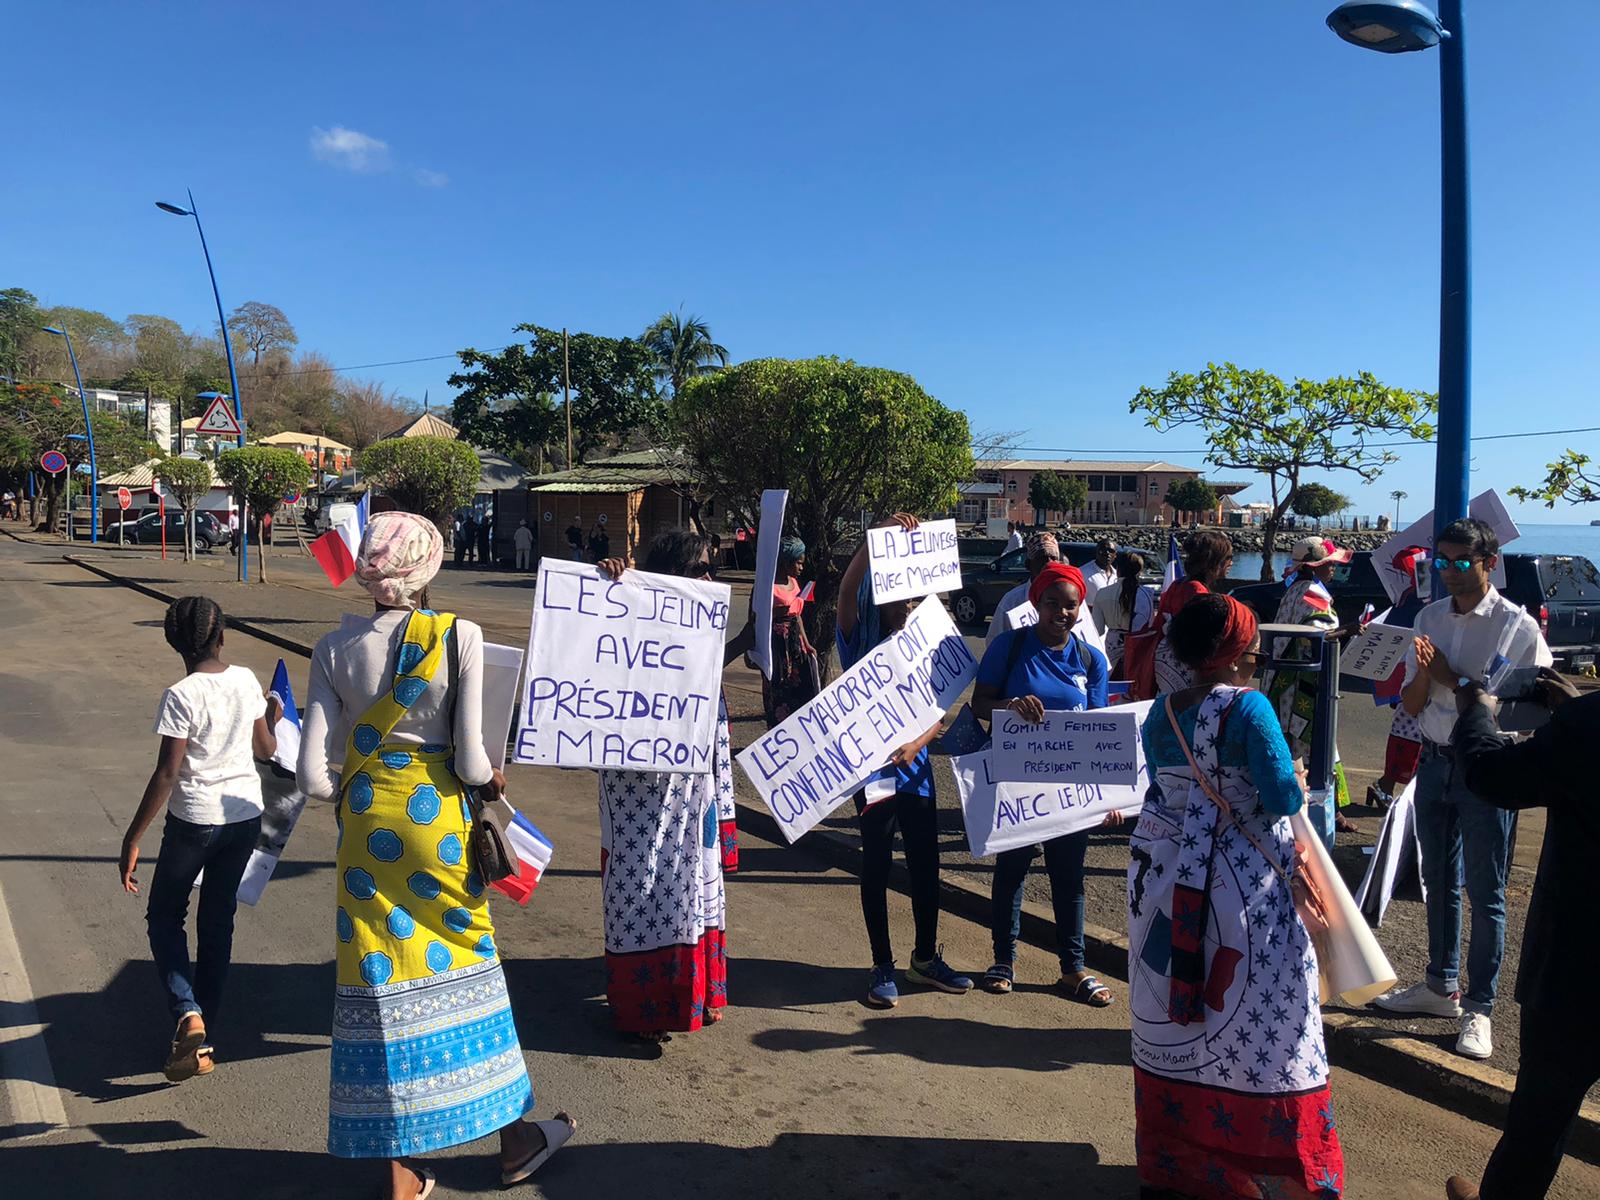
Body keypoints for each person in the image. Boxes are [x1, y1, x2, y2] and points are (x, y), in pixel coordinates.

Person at [298, 512, 572, 1197]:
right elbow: (475, 761)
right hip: (439, 825)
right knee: (468, 969)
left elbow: (310, 779)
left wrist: (361, 788)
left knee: (377, 980)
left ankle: (397, 1175)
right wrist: (489, 783)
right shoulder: (460, 636)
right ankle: (515, 1143)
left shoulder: (331, 649)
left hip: (365, 828)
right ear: (427, 568)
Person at [1129, 593, 1344, 1197]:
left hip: (1174, 886)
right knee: (1269, 1019)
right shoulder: (1250, 711)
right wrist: (1296, 780)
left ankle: (1181, 1158)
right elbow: (1280, 798)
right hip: (1245, 888)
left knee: (1183, 1020)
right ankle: (1273, 1160)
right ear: (1240, 651)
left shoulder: (1160, 713)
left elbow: (1165, 788)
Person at [1372, 518, 1552, 1061]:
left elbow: (1524, 709)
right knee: (1437, 880)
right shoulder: (1428, 617)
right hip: (1434, 759)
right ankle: (1439, 986)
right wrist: (1430, 676)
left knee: (1486, 891)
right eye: (1439, 562)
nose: (1447, 572)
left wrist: (1449, 677)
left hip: (1488, 766)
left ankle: (1480, 1008)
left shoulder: (1516, 627)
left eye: (1458, 561)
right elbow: (1410, 702)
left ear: (1487, 562)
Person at [1444, 675, 1600, 1200]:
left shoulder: (1586, 727)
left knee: (1539, 1122)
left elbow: (1494, 777)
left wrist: (1475, 711)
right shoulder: (1583, 723)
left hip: (1579, 972)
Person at [593, 532, 752, 1041]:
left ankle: (693, 995)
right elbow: (592, 654)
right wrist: (608, 588)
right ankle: (641, 1010)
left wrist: (750, 639)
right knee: (640, 889)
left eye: (711, 568)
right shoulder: (626, 616)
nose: (709, 578)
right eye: (698, 568)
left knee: (692, 890)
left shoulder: (701, 632)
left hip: (692, 791)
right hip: (635, 792)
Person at [120, 596, 280, 1084]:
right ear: (223, 635)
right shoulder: (247, 680)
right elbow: (266, 750)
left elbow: (168, 772)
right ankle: (203, 1038)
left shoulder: (181, 694)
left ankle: (188, 1014)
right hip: (244, 816)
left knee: (166, 916)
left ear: (174, 642)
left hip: (195, 821)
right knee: (217, 921)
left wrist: (132, 837)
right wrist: (270, 715)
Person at [837, 514, 974, 1008]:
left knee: (925, 866)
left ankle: (924, 958)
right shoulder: (859, 645)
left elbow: (939, 708)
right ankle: (881, 965)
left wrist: (918, 745)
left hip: (916, 776)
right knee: (875, 866)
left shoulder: (929, 645)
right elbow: (847, 594)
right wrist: (875, 542)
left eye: (916, 597)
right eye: (900, 596)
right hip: (872, 778)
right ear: (883, 595)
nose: (909, 604)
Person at [972, 561, 1119, 1003]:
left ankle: (1073, 969)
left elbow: (1099, 730)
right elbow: (980, 703)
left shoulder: (1091, 659)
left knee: (1069, 878)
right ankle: (1004, 959)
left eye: (1070, 605)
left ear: (1082, 609)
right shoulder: (1009, 647)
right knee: (1012, 871)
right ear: (1036, 602)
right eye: (1051, 602)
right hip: (1017, 784)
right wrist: (1011, 705)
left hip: (1070, 789)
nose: (1061, 611)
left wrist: (1108, 798)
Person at [1260, 536, 1356, 843]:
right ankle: (1318, 812)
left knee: (1290, 742)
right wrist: (1350, 630)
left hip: (1282, 679)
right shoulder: (1314, 593)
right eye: (1329, 565)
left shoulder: (1293, 589)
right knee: (1315, 743)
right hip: (1303, 684)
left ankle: (1311, 807)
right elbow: (1319, 636)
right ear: (1319, 567)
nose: (1332, 571)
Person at [985, 532, 1107, 660]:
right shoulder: (1011, 602)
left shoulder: (1074, 599)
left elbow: (1089, 642)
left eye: (1053, 558)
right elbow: (994, 646)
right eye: (1042, 558)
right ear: (1028, 564)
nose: (1049, 564)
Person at [1149, 530, 1234, 696]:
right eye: (1229, 557)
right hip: (1184, 665)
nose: (1232, 562)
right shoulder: (1197, 592)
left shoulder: (1178, 584)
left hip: (1167, 660)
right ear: (1214, 561)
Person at [756, 535, 819, 727]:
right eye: (798, 563)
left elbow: (797, 615)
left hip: (794, 643)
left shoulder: (794, 583)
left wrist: (806, 643)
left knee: (798, 688)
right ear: (786, 562)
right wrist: (775, 612)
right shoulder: (768, 586)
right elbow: (757, 616)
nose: (801, 568)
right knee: (778, 687)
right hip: (776, 644)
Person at [1090, 549, 1152, 674]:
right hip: (1138, 647)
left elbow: (1098, 630)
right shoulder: (1146, 594)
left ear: (1117, 570)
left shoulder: (1102, 593)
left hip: (1112, 646)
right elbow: (1149, 625)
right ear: (1139, 571)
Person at [1083, 537, 1118, 606]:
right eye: (1103, 550)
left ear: (1115, 555)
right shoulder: (1083, 572)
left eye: (1111, 551)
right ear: (1097, 552)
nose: (1107, 553)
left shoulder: (1117, 575)